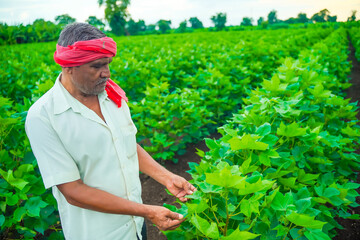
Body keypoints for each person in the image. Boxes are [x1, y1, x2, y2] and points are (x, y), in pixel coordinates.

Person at [25, 22, 196, 240]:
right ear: (69, 66)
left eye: (107, 64)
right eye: (96, 66)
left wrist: (167, 178)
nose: (106, 73)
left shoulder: (112, 96)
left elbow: (125, 145)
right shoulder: (43, 116)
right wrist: (148, 211)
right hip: (97, 233)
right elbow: (73, 192)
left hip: (135, 225)